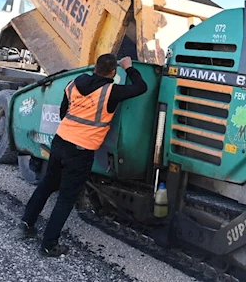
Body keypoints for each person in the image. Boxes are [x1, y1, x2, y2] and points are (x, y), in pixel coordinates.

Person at [17, 53, 149, 255]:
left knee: (47, 185)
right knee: (66, 199)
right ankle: (48, 245)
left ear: (95, 68)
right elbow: (141, 87)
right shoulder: (110, 92)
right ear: (113, 72)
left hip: (60, 142)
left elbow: (63, 113)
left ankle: (26, 224)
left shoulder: (74, 83)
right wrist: (129, 67)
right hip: (81, 150)